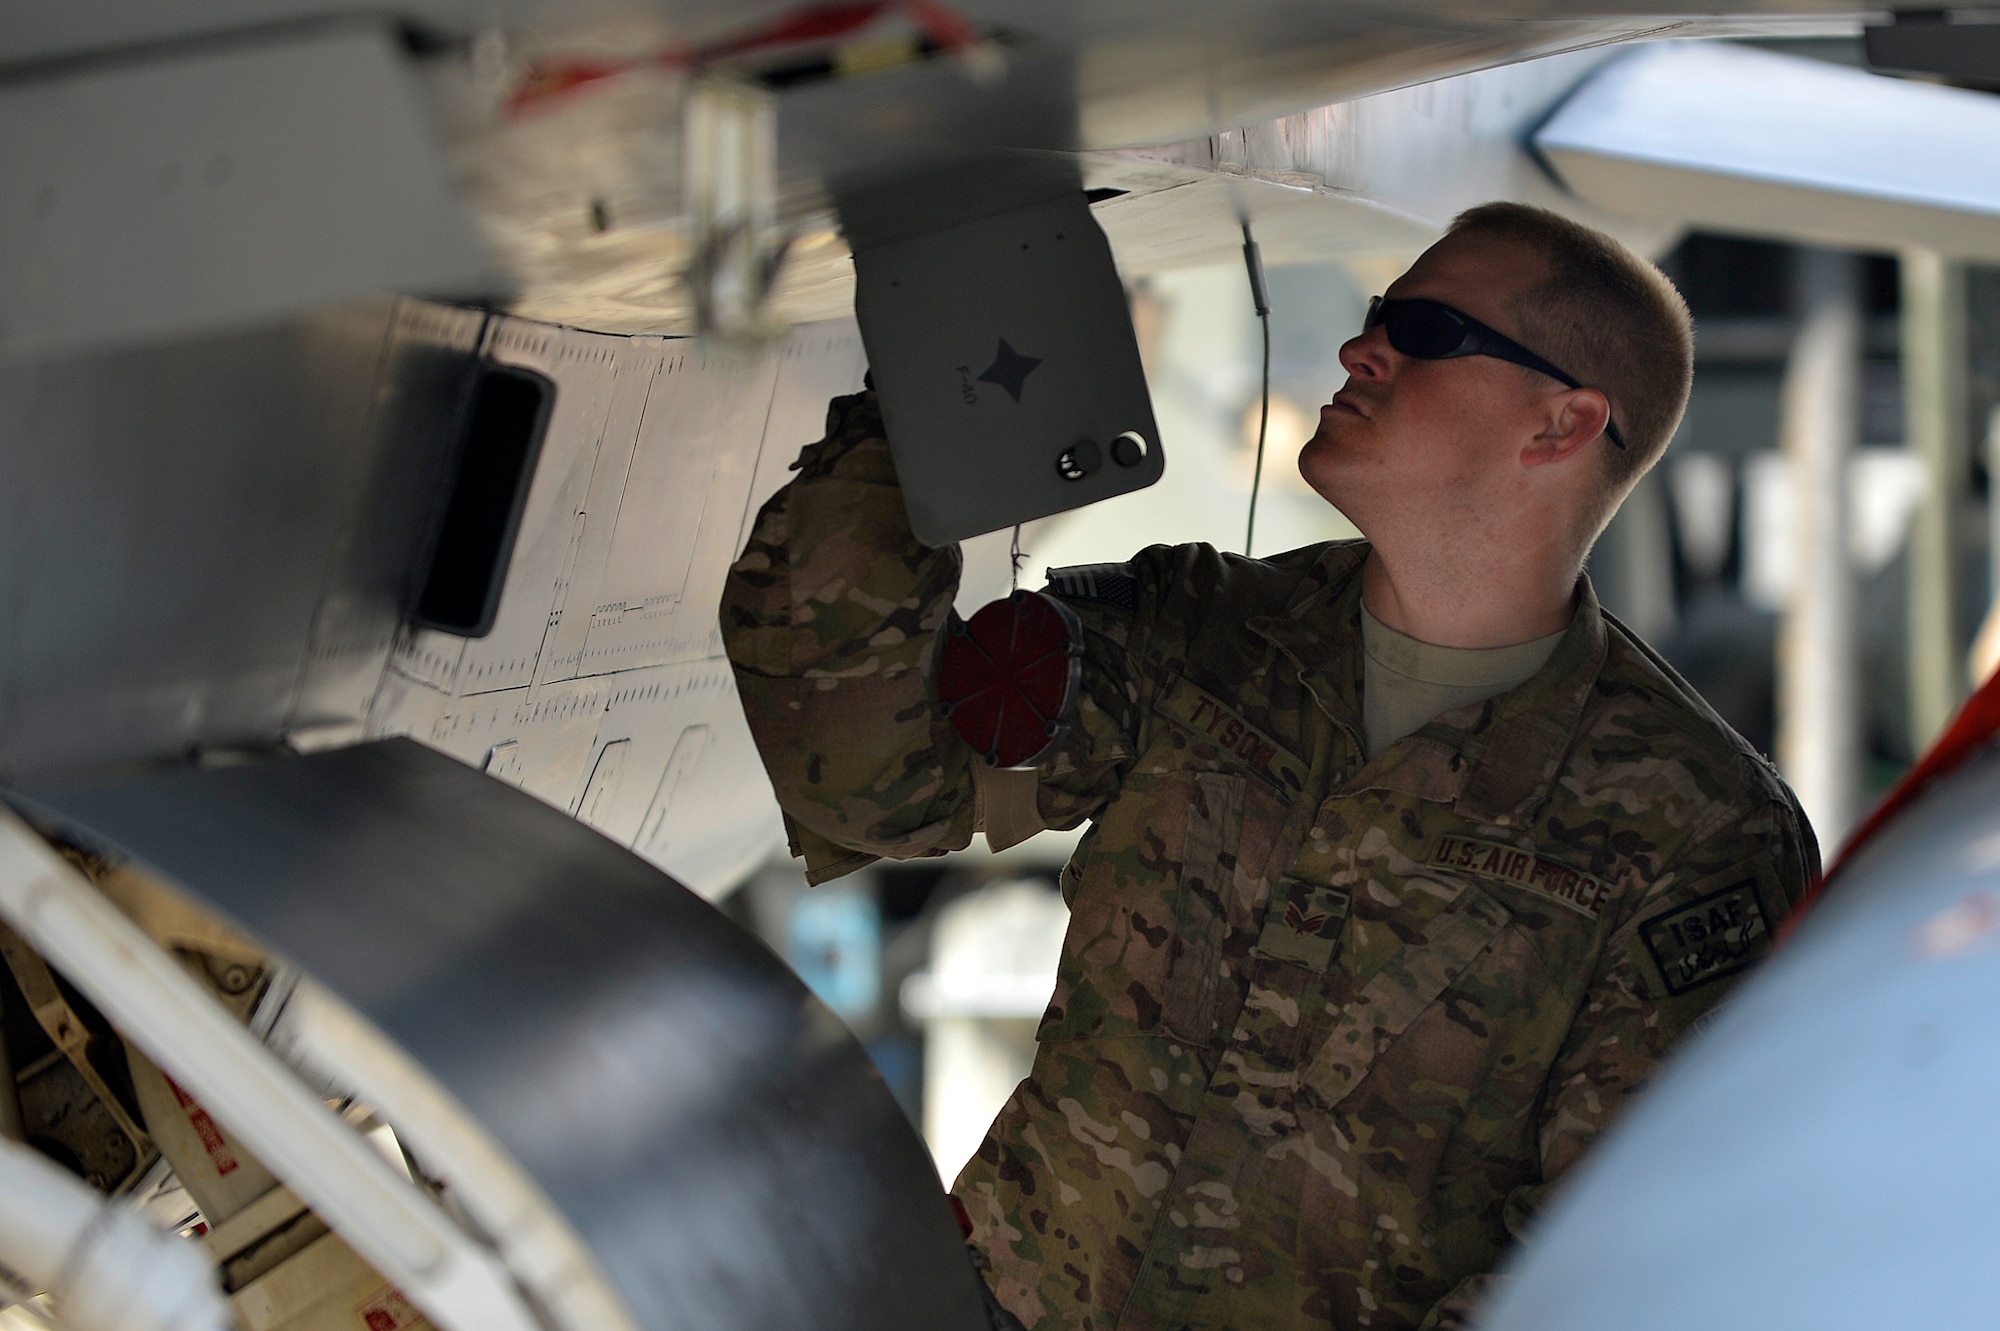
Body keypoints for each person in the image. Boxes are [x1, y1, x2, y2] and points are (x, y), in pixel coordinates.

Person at [720, 201, 1817, 1331]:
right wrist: (926, 416)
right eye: (1377, 314)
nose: (1359, 347)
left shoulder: (1689, 825)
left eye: (1427, 331)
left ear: (1561, 423)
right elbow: (868, 772)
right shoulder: (1202, 630)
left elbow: (1615, 1253)